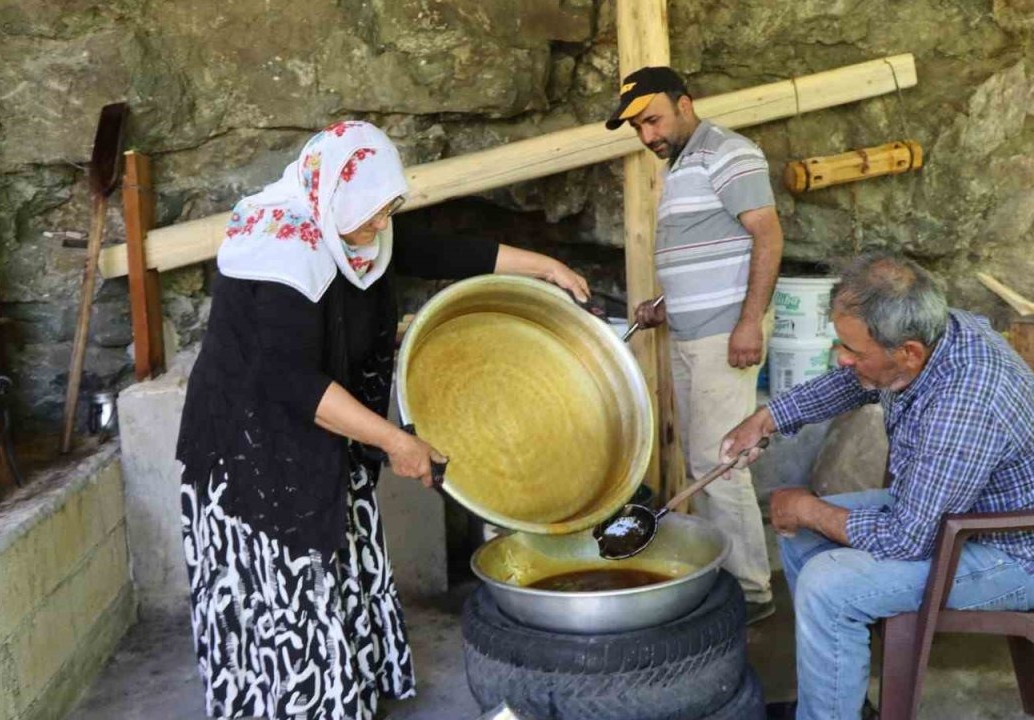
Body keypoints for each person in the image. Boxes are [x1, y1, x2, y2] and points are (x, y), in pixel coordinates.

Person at [175, 120, 588, 720]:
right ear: (331, 194)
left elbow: (438, 250)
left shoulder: (355, 228)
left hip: (323, 433)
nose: (380, 226)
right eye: (370, 214)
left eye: (387, 210)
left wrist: (543, 265)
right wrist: (395, 440)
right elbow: (291, 380)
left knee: (338, 566)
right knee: (290, 593)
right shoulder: (281, 248)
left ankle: (349, 691)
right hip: (253, 451)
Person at [720, 253, 1034, 720]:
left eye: (854, 350)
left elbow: (908, 538)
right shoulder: (934, 334)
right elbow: (853, 382)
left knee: (828, 585)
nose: (843, 358)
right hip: (956, 512)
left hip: (1010, 552)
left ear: (908, 352)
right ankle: (837, 702)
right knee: (805, 537)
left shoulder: (964, 402)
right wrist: (768, 418)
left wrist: (807, 507)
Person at [606, 66, 785, 623]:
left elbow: (767, 234)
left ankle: (751, 594)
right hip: (691, 329)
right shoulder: (684, 166)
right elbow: (708, 250)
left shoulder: (728, 152)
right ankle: (722, 576)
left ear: (686, 104)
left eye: (653, 119)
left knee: (721, 462)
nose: (647, 136)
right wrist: (666, 303)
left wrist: (750, 321)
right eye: (637, 127)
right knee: (703, 460)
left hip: (722, 336)